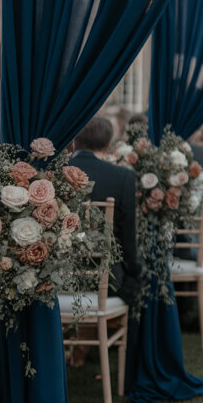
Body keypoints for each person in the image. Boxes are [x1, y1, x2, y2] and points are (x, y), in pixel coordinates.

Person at [70, 115, 143, 311]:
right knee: (138, 281)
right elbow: (128, 237)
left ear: (74, 142)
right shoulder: (123, 177)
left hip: (59, 279)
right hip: (106, 281)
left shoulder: (56, 172)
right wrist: (135, 272)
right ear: (108, 145)